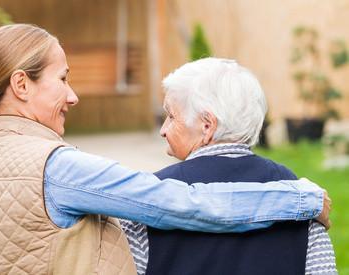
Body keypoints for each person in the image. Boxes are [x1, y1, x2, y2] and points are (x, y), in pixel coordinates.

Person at [0, 24, 329, 275]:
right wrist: (302, 198)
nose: (73, 96)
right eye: (63, 79)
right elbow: (183, 204)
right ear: (21, 85)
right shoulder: (56, 168)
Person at [120, 58, 337, 275]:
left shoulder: (149, 198)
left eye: (170, 116)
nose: (163, 130)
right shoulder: (300, 197)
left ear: (207, 125)